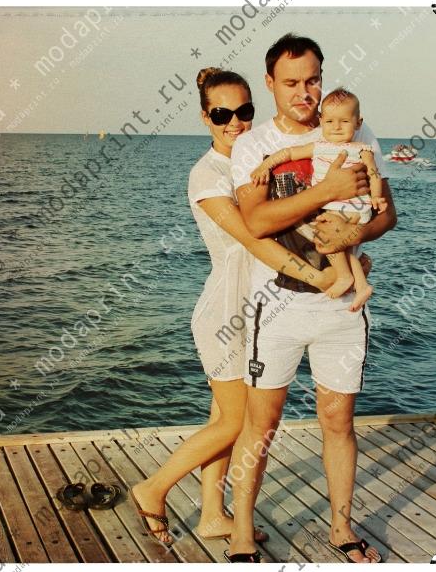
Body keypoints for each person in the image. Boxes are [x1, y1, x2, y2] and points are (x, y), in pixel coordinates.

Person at [129, 67, 342, 548]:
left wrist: (342, 250)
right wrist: (318, 278)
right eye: (222, 114)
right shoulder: (208, 174)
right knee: (235, 422)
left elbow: (302, 223)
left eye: (244, 111)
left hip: (266, 307)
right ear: (206, 117)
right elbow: (252, 235)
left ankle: (211, 515)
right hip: (228, 312)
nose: (236, 123)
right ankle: (152, 489)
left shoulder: (263, 160)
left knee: (223, 419)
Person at [227, 34, 397, 563]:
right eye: (292, 82)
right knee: (261, 424)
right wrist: (327, 192)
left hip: (342, 308)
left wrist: (354, 234)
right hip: (277, 305)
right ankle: (241, 530)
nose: (305, 93)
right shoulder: (254, 145)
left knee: (338, 421)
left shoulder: (355, 129)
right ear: (270, 83)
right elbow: (256, 221)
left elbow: (387, 213)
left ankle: (341, 527)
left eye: (313, 80)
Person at [250, 87, 388, 309]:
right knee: (344, 249)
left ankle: (344, 277)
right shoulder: (323, 147)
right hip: (348, 209)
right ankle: (362, 286)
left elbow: (374, 173)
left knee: (324, 238)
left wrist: (378, 196)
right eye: (330, 121)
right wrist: (265, 165)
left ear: (358, 123)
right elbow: (289, 153)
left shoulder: (360, 149)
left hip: (347, 207)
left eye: (344, 121)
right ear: (321, 120)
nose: (336, 127)